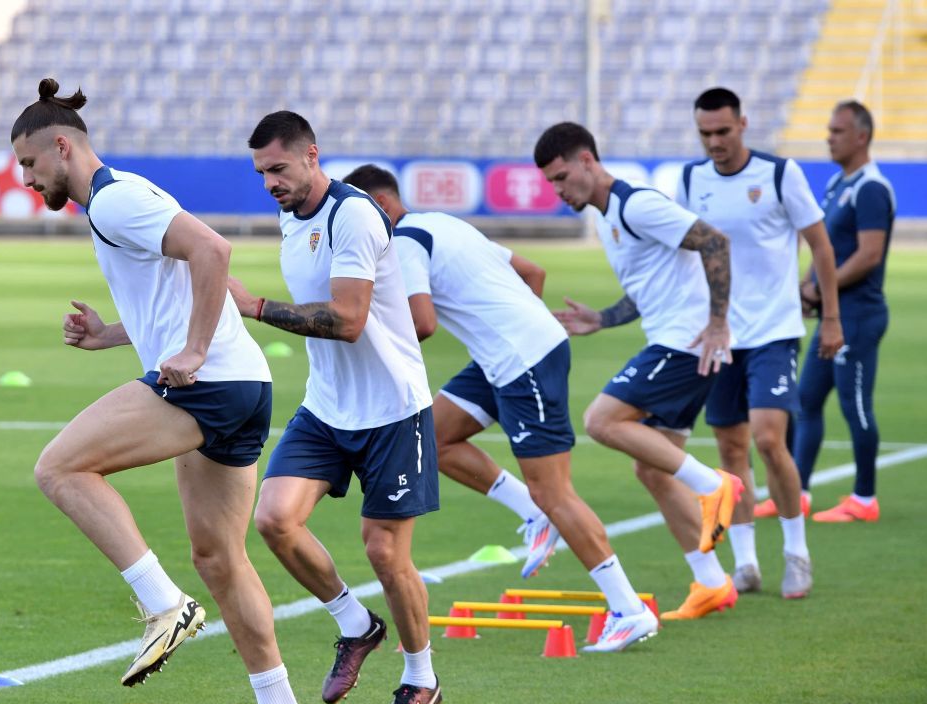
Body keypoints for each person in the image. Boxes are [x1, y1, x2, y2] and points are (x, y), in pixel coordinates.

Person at [11, 79, 310, 704]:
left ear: (62, 146)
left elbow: (213, 252)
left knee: (59, 467)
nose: (28, 180)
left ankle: (161, 605)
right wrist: (110, 335)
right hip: (243, 388)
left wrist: (196, 350)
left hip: (210, 383)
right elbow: (169, 298)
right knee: (220, 558)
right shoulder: (115, 201)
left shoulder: (116, 200)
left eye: (31, 165)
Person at [343, 164, 658, 653]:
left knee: (556, 492)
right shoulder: (446, 223)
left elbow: (421, 323)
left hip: (521, 361)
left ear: (378, 206)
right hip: (510, 356)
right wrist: (509, 328)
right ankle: (532, 513)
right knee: (437, 436)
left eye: (355, 214)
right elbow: (533, 272)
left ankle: (628, 609)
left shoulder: (404, 242)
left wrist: (360, 340)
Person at [228, 111, 441, 704]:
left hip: (394, 410)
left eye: (280, 169)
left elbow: (348, 321)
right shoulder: (289, 218)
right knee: (273, 520)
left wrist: (259, 307)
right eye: (262, 172)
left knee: (385, 554)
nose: (270, 182)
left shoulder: (352, 214)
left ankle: (421, 679)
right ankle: (356, 623)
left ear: (312, 156)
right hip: (327, 407)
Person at [537, 122, 744, 627]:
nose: (560, 191)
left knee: (602, 421)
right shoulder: (609, 217)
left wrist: (717, 324)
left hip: (688, 342)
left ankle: (713, 483)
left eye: (563, 177)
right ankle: (712, 582)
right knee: (652, 468)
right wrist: (602, 318)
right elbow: (648, 288)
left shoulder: (636, 205)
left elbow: (714, 243)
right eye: (552, 183)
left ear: (587, 160)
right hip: (677, 341)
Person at [672, 87, 843, 600]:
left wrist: (830, 318)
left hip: (773, 330)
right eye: (705, 133)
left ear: (743, 124)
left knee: (769, 440)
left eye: (723, 131)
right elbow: (683, 253)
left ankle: (797, 553)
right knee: (730, 449)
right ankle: (746, 562)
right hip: (720, 333)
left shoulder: (777, 174)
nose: (714, 142)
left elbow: (821, 245)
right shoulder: (690, 179)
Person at [791, 100, 895, 523]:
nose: (829, 137)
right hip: (835, 311)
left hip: (858, 315)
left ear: (861, 136)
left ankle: (865, 499)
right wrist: (808, 285)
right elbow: (825, 248)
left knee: (854, 405)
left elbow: (869, 255)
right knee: (806, 400)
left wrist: (819, 287)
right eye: (829, 130)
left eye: (837, 131)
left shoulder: (871, 188)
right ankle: (795, 492)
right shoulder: (838, 183)